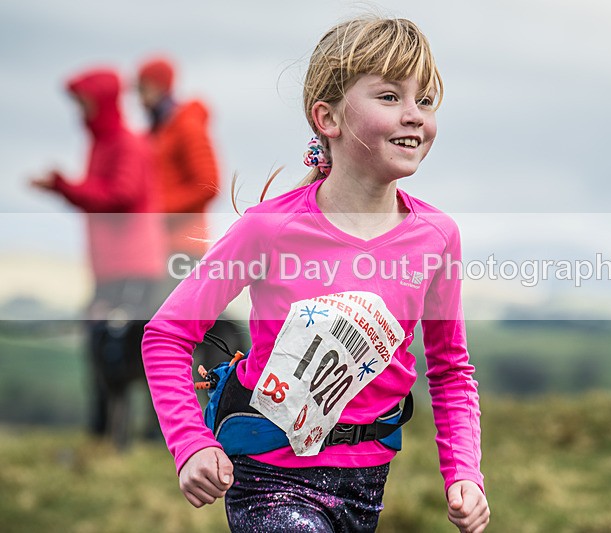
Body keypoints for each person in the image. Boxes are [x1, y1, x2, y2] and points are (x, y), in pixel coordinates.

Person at [142, 16, 489, 533]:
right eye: (391, 97)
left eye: (427, 100)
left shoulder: (437, 237)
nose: (415, 116)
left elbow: (450, 372)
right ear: (327, 118)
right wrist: (190, 443)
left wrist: (464, 473)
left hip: (368, 484)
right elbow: (167, 335)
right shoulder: (269, 229)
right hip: (266, 477)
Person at [31, 67, 165, 448]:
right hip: (110, 265)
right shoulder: (100, 145)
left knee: (123, 350)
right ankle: (105, 432)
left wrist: (65, 187)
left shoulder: (128, 144)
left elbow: (119, 198)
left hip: (134, 264)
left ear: (102, 103)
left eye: (85, 103)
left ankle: (145, 436)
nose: (80, 111)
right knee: (102, 345)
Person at [136, 56, 244, 375]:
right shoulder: (157, 130)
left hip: (183, 244)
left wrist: (157, 213)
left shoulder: (185, 125)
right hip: (157, 247)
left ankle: (196, 413)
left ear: (160, 86)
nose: (140, 98)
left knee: (173, 336)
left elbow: (208, 184)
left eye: (144, 88)